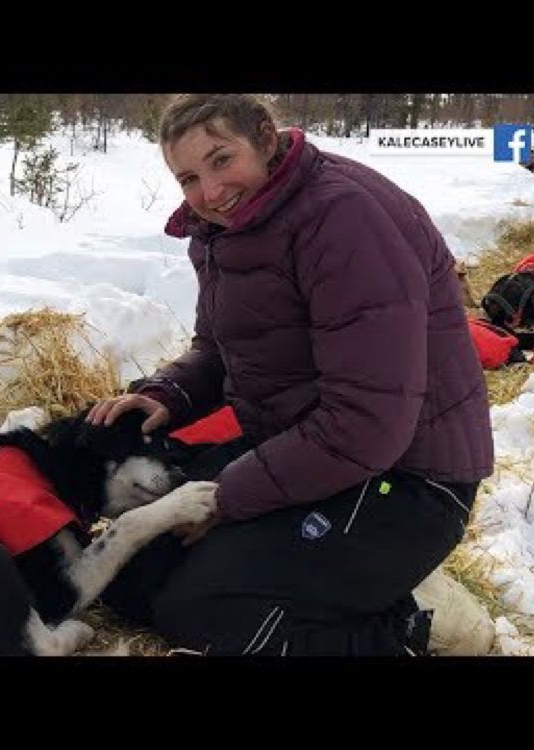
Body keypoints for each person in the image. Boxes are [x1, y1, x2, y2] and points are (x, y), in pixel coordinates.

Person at [87, 94, 494, 656]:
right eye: (187, 179)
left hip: (405, 480)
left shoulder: (345, 219)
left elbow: (367, 423)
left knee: (206, 610)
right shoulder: (230, 226)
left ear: (266, 135)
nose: (209, 193)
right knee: (131, 576)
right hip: (304, 450)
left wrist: (226, 498)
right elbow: (223, 346)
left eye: (222, 160)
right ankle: (341, 584)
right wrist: (169, 393)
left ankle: (409, 628)